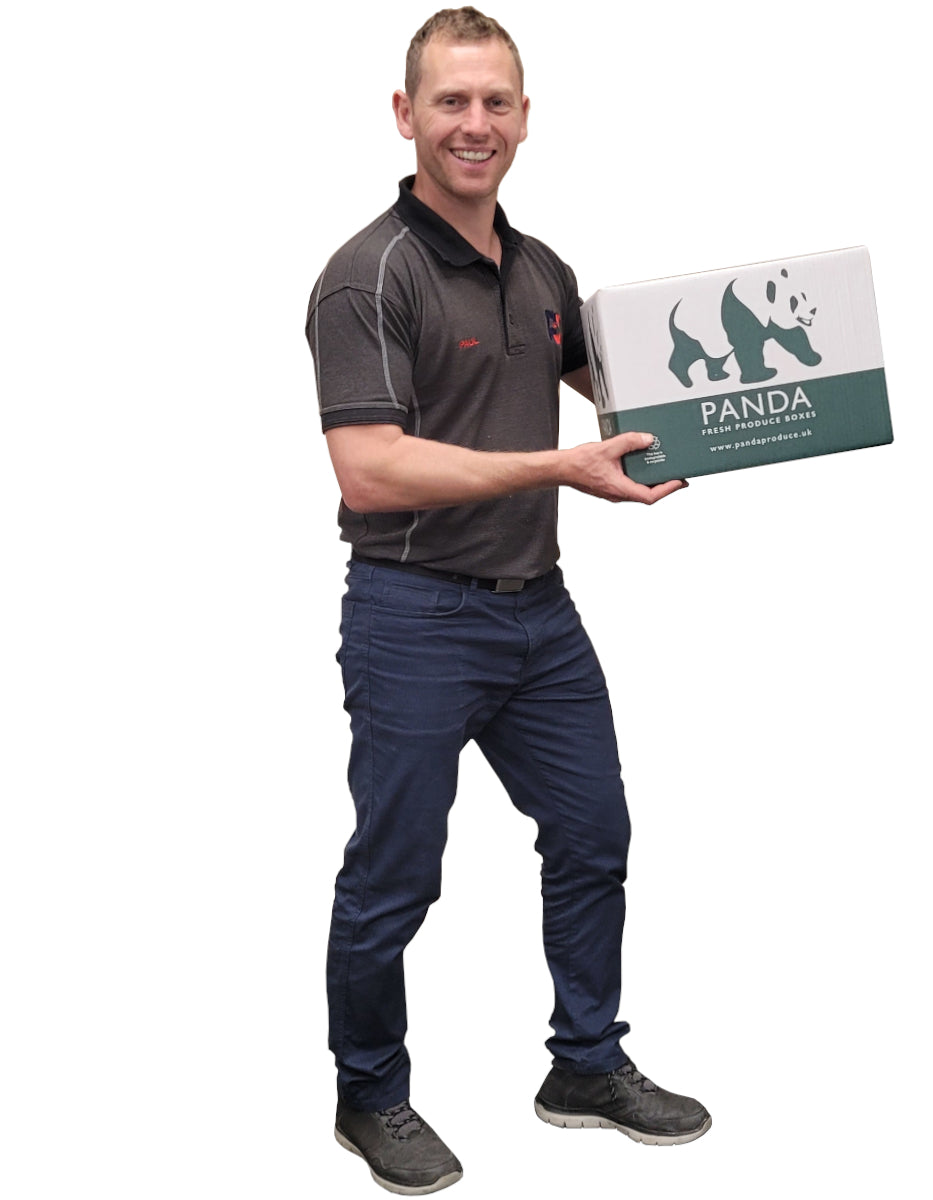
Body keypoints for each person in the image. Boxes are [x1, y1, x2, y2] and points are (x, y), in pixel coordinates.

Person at [305, 8, 710, 1194]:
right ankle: (369, 1091)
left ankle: (584, 1063)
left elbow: (631, 381)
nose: (473, 125)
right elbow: (369, 466)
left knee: (594, 837)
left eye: (495, 103)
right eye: (450, 102)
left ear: (525, 118)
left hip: (539, 613)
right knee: (395, 873)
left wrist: (784, 398)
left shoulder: (540, 273)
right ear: (406, 115)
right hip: (413, 612)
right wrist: (559, 471)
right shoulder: (364, 277)